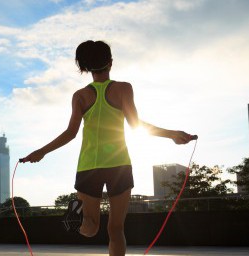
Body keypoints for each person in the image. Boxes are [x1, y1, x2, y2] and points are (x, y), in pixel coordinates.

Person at [20, 40, 194, 256]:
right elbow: (136, 125)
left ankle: (76, 218)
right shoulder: (123, 88)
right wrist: (171, 135)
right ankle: (78, 218)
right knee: (116, 229)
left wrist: (41, 152)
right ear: (110, 63)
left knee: (91, 228)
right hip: (119, 165)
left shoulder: (80, 96)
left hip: (89, 166)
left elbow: (70, 133)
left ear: (84, 68)